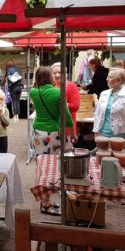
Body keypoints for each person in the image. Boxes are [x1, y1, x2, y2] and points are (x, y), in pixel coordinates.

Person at [30, 66, 73, 216]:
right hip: (53, 133)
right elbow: (65, 115)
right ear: (50, 77)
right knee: (53, 166)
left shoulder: (33, 92)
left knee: (41, 165)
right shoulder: (57, 93)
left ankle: (45, 199)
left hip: (37, 132)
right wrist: (70, 127)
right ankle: (46, 202)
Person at [93, 68, 125, 140]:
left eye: (110, 77)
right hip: (102, 134)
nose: (107, 79)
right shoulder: (104, 94)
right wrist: (96, 130)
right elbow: (98, 114)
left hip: (119, 136)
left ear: (118, 80)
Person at [51, 62, 80, 141]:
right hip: (51, 128)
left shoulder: (71, 86)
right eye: (54, 73)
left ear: (66, 74)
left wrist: (62, 105)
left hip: (67, 128)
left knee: (65, 152)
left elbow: (75, 106)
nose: (57, 75)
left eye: (60, 72)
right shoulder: (51, 87)